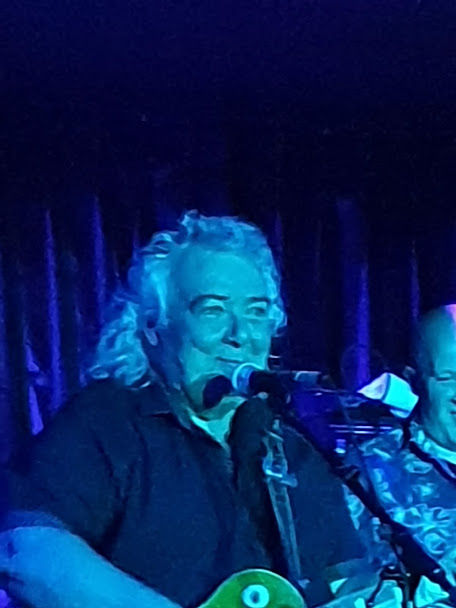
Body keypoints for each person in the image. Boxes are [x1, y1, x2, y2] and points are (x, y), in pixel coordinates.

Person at [0, 211, 387, 608]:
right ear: (153, 326)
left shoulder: (291, 447)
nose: (241, 335)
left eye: (256, 312)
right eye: (213, 310)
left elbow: (343, 584)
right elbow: (25, 551)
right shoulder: (105, 421)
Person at [344, 304, 456, 603]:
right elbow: (344, 591)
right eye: (447, 378)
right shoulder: (366, 471)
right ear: (414, 379)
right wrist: (431, 584)